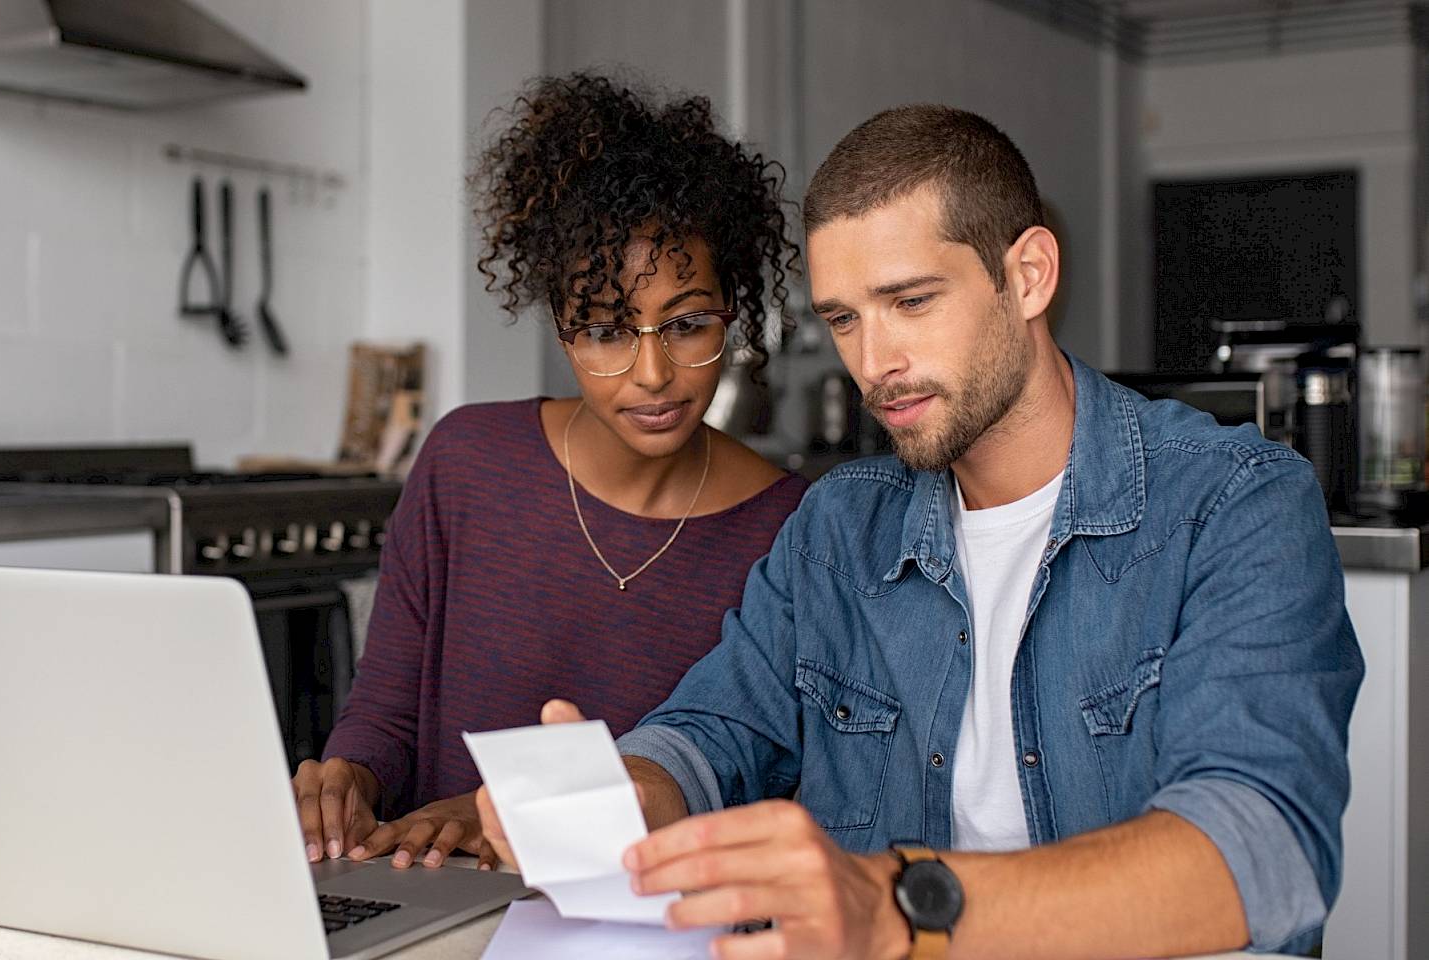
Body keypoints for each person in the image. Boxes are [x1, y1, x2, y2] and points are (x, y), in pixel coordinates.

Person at [480, 104, 1363, 959]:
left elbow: (1261, 850)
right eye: (844, 318)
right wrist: (625, 794)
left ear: (1028, 276)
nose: (874, 363)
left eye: (910, 302)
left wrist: (902, 907)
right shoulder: (838, 525)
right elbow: (715, 733)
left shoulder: (1236, 504)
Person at [294, 73, 808, 872]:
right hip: (435, 906)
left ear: (732, 315)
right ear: (562, 331)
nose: (651, 373)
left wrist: (503, 816)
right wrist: (347, 779)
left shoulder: (789, 529)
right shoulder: (465, 463)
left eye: (688, 324)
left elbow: (752, 785)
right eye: (605, 330)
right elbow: (386, 715)